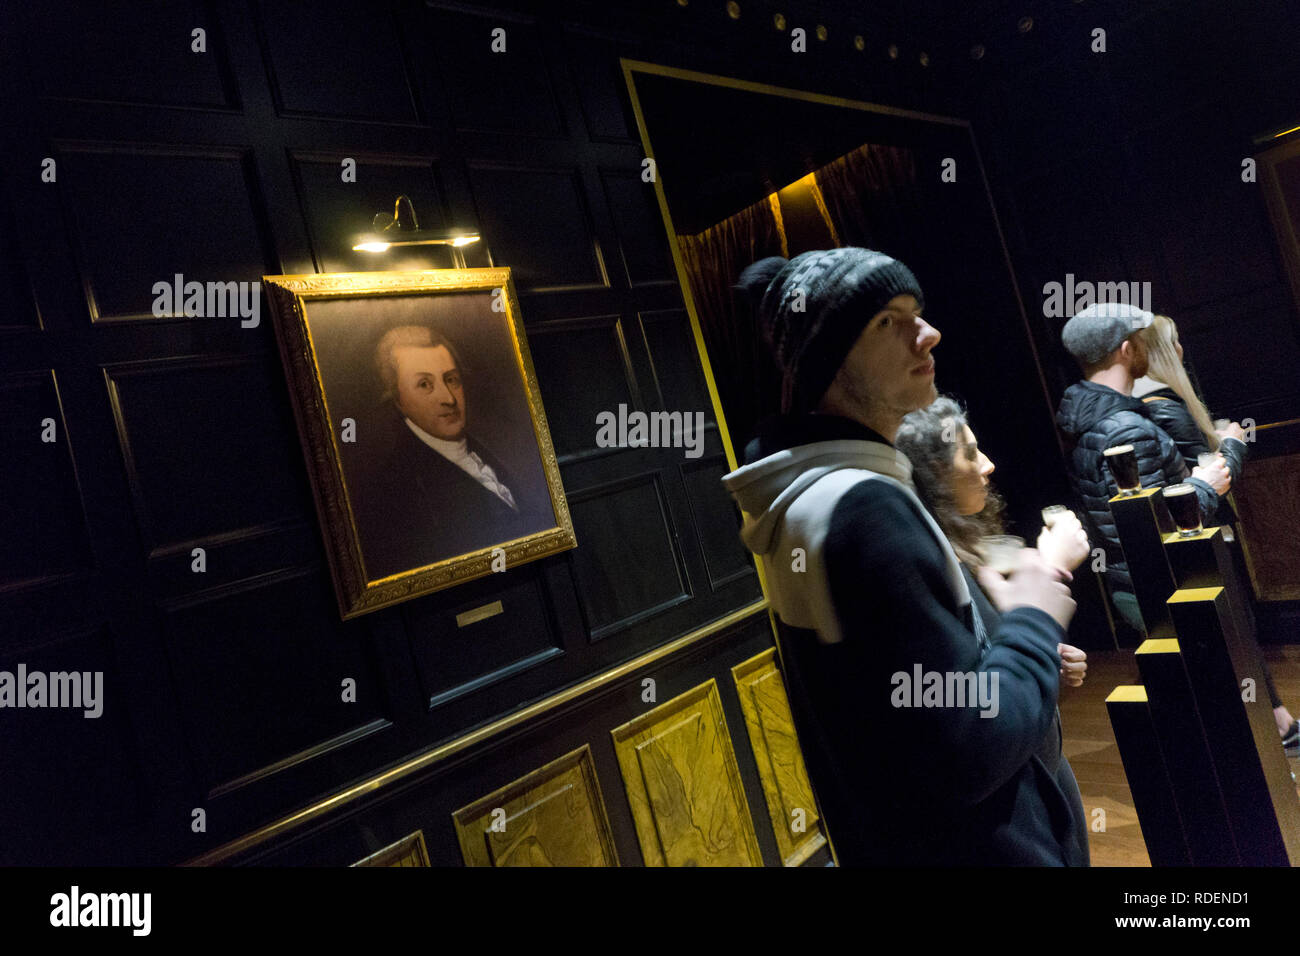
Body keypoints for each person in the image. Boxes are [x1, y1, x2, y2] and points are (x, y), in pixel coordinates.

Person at [722, 247, 1082, 865]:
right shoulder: (863, 506)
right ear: (826, 359)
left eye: (916, 312)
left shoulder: (817, 494)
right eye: (888, 321)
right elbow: (972, 748)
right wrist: (1033, 615)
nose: (928, 333)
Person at [896, 396, 1093, 863]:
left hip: (1040, 761)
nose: (988, 465)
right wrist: (1053, 570)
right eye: (969, 454)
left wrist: (1050, 667)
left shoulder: (970, 547)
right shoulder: (935, 565)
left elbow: (1000, 670)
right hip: (1007, 803)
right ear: (931, 472)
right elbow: (974, 710)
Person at [1136, 315, 1298, 754]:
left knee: (1236, 629)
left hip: (1197, 533)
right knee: (1232, 630)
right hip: (1200, 533)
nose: (1183, 349)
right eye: (1176, 342)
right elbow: (1211, 477)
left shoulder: (1151, 404)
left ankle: (1277, 721)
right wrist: (1233, 442)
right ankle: (1272, 728)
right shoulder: (1162, 405)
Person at [1054, 302, 1232, 635]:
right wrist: (1206, 485)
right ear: (1126, 349)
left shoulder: (1098, 418)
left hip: (1137, 583)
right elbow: (1150, 527)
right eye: (1140, 340)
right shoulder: (1124, 428)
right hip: (1163, 585)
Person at [350, 324, 553, 579]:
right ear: (398, 400)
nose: (448, 397)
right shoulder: (396, 487)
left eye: (451, 379)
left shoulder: (482, 452)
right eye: (425, 384)